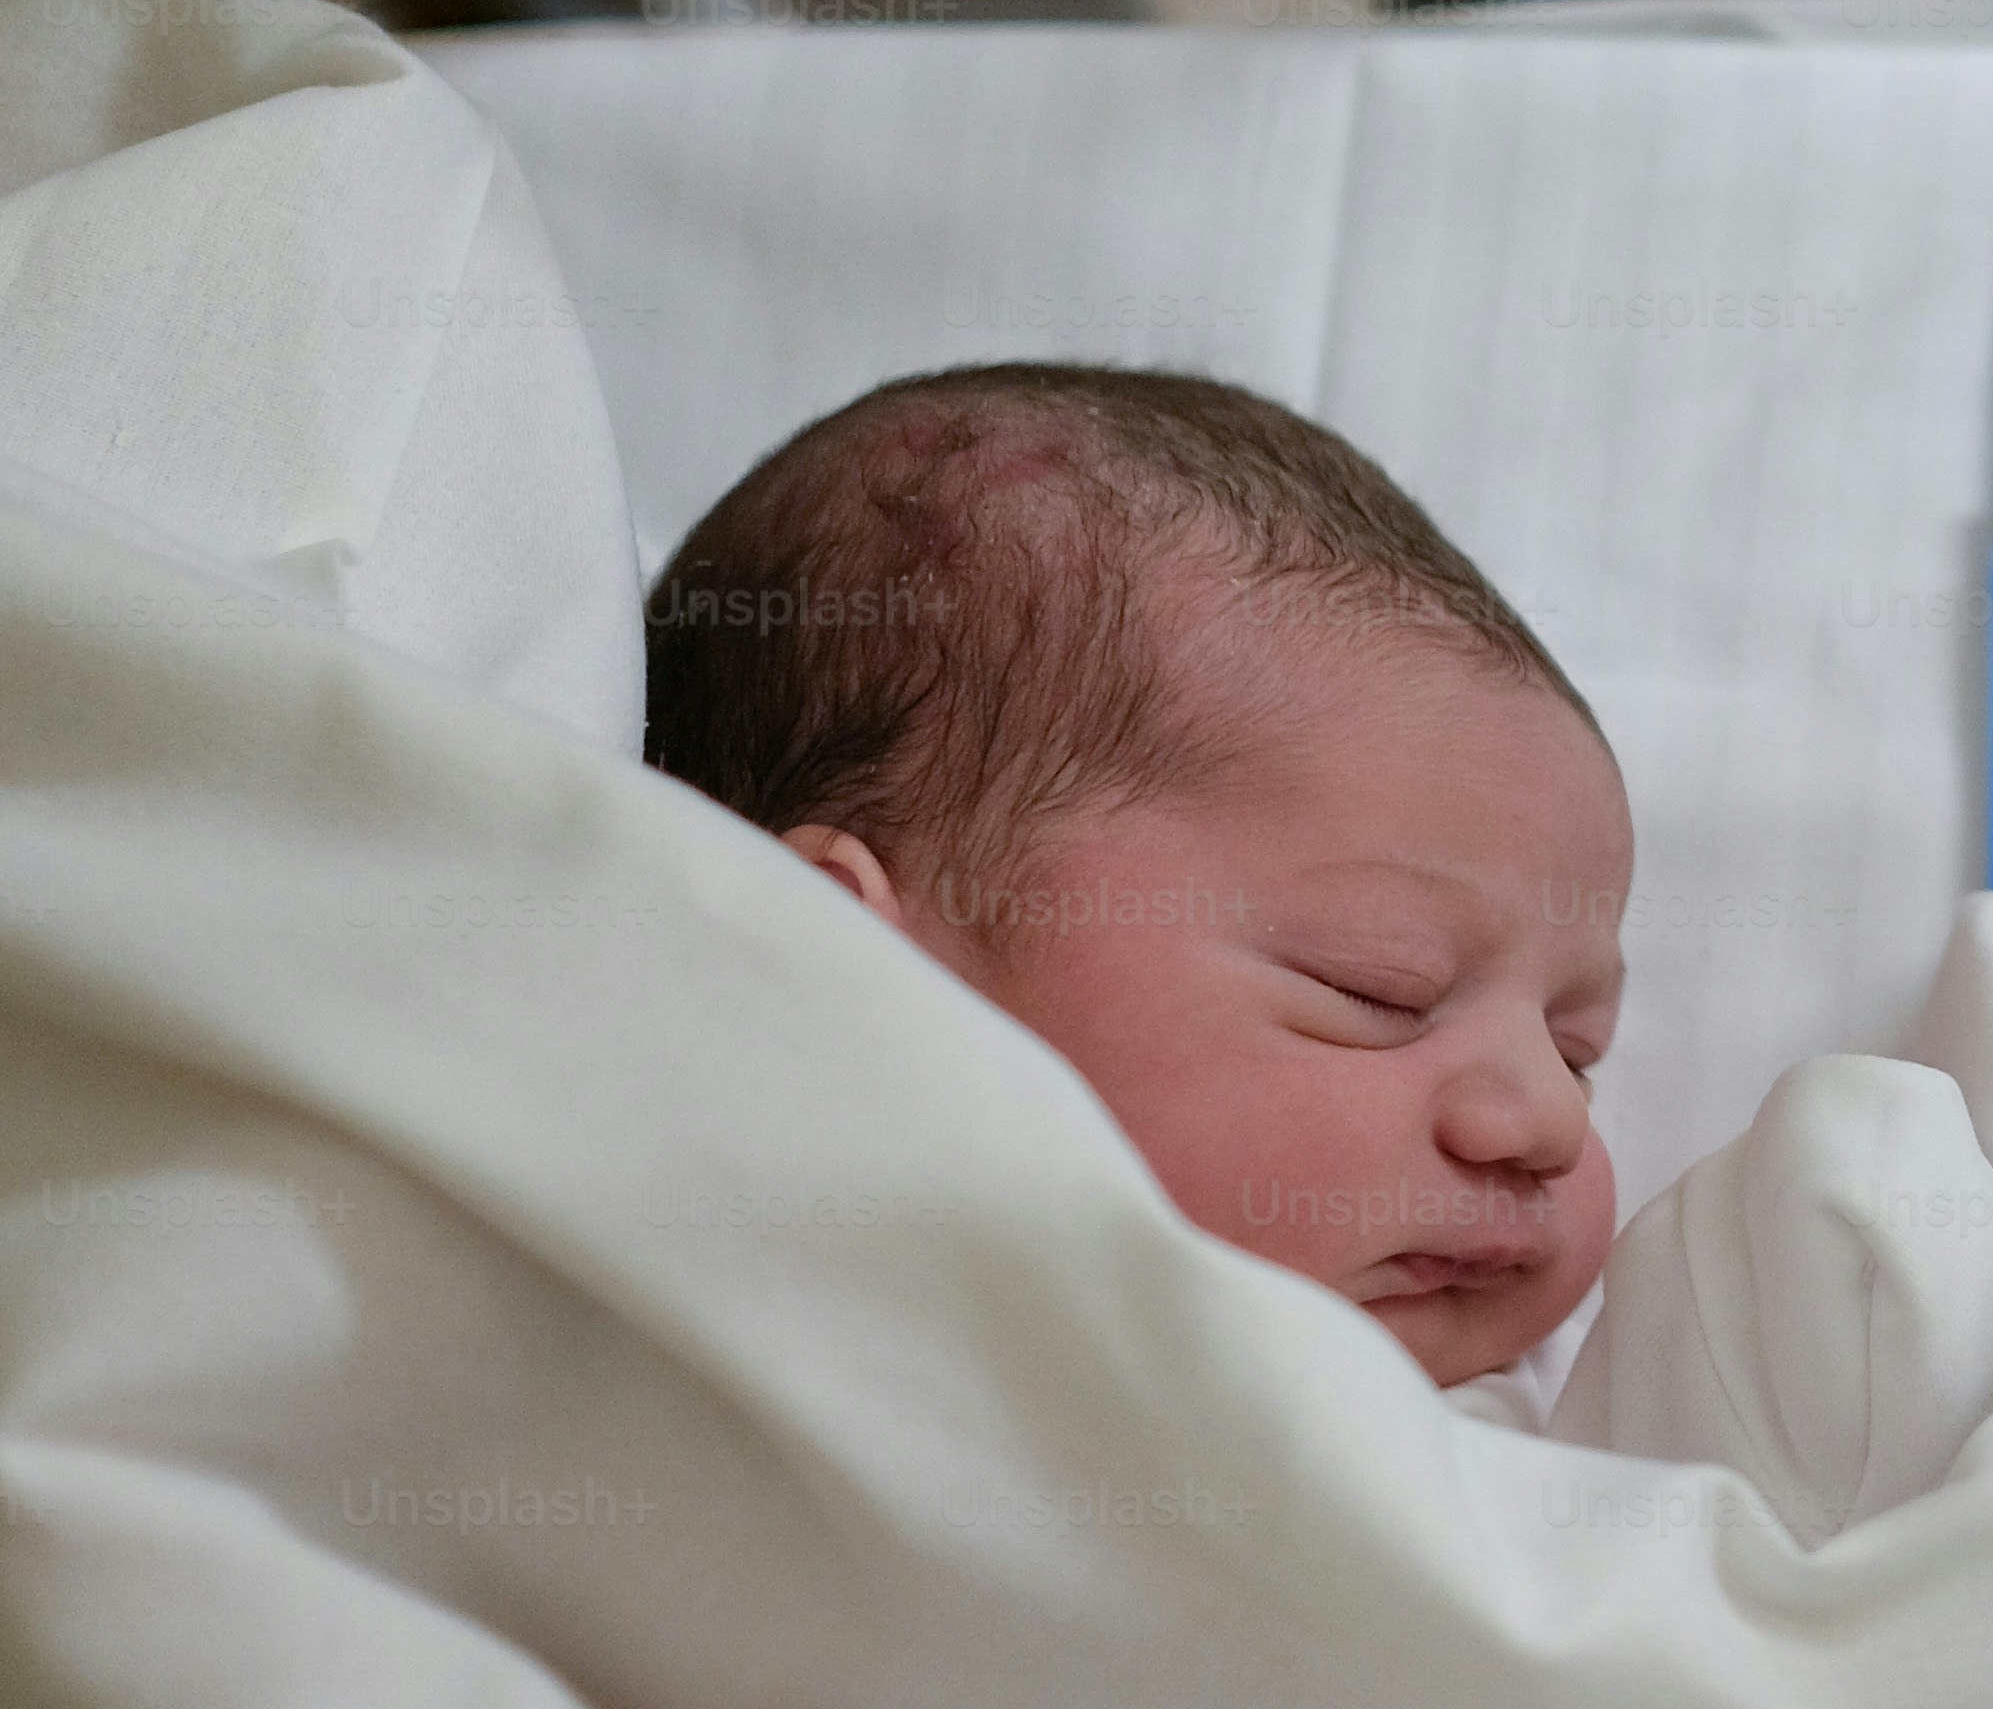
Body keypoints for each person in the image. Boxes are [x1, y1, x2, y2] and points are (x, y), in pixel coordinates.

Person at [641, 360, 1633, 1391]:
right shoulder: (722, 1358)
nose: (1549, 1125)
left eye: (1577, 1053)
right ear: (841, 969)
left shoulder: (1560, 1442)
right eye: (1379, 990)